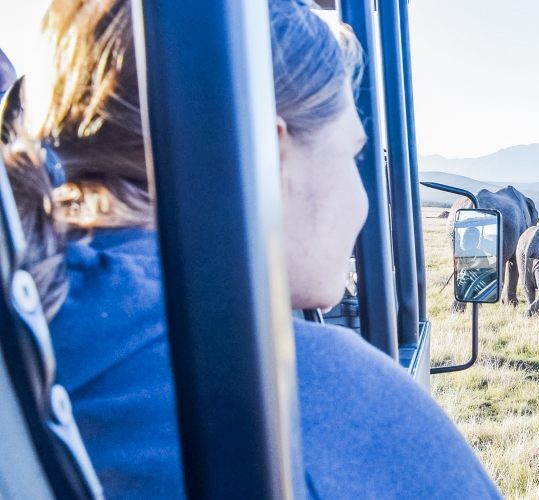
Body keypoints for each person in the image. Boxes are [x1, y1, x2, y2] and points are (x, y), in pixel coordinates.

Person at [3, 0, 502, 497]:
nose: (363, 201)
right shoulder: (316, 404)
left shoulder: (32, 336)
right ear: (267, 156)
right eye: (354, 154)